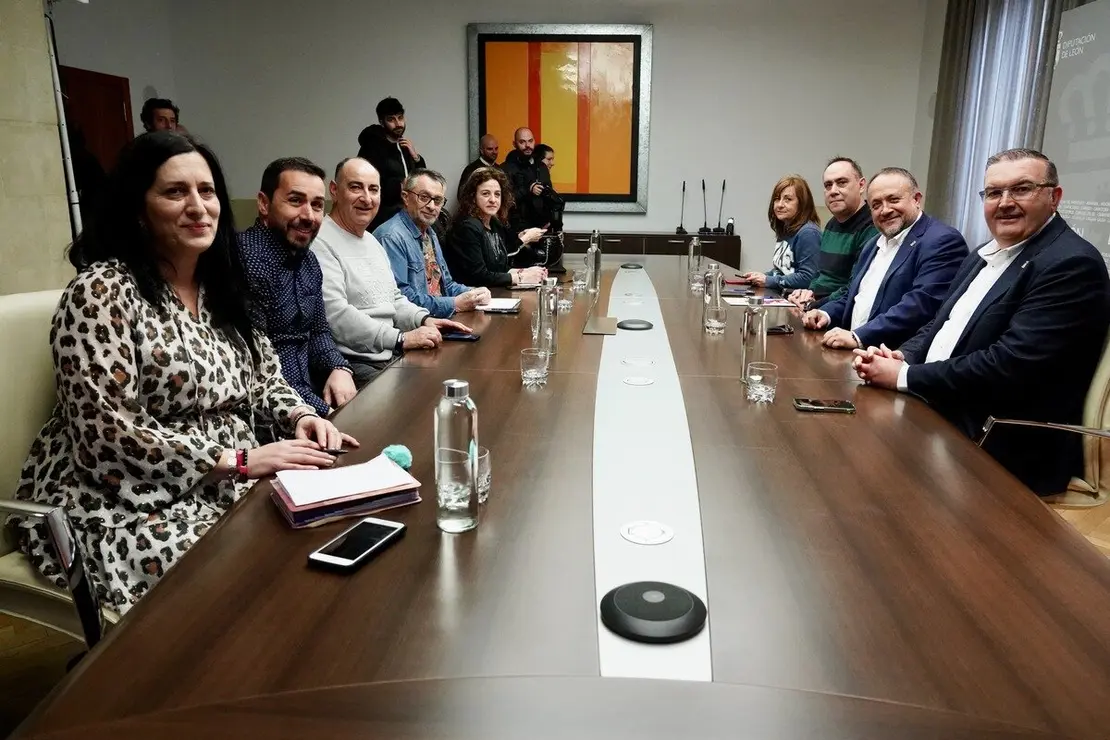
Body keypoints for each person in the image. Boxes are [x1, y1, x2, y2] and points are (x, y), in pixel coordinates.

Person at [12, 132, 357, 615]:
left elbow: (265, 379)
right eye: (176, 192)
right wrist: (236, 461)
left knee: (324, 539)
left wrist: (299, 417)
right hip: (119, 499)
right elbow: (107, 432)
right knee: (249, 577)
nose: (198, 206)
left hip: (227, 478)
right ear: (138, 207)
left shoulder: (221, 291)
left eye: (207, 191)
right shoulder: (101, 292)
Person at [853, 148, 1110, 495]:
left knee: (868, 478)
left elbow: (1009, 364)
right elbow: (940, 323)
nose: (1004, 202)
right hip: (945, 409)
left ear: (1054, 197)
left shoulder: (1071, 263)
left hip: (1000, 440)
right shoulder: (984, 254)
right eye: (993, 192)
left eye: (1021, 189)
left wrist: (905, 376)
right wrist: (903, 355)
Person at [313, 158, 472, 386]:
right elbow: (336, 315)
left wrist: (423, 319)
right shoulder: (321, 241)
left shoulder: (371, 241)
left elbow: (395, 298)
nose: (366, 198)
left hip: (390, 351)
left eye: (373, 189)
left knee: (454, 377)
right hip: (354, 363)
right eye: (356, 187)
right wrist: (400, 338)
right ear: (334, 191)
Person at [237, 158, 357, 417]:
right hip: (271, 410)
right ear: (264, 204)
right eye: (295, 201)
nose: (309, 216)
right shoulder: (247, 259)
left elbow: (318, 330)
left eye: (316, 205)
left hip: (309, 393)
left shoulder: (308, 260)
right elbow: (261, 365)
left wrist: (339, 368)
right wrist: (322, 410)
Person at [801, 167, 967, 350]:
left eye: (893, 200)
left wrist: (858, 336)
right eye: (876, 205)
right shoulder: (873, 244)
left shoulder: (942, 241)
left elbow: (920, 306)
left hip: (893, 359)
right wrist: (826, 313)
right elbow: (854, 294)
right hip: (851, 352)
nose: (885, 210)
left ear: (916, 199)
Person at [375, 169, 491, 318]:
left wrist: (473, 292)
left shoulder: (430, 232)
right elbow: (401, 299)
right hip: (415, 327)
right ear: (405, 197)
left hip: (440, 318)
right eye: (424, 197)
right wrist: (454, 303)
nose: (432, 206)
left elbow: (446, 285)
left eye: (437, 200)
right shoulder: (391, 237)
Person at [788, 157, 879, 307]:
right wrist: (807, 292)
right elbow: (821, 274)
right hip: (817, 304)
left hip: (838, 312)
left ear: (861, 185)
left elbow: (855, 287)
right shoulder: (832, 223)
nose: (833, 191)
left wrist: (814, 304)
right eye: (828, 185)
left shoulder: (872, 226)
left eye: (842, 183)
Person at [444, 167, 549, 288]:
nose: (493, 200)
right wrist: (520, 277)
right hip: (471, 294)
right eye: (485, 194)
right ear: (473, 197)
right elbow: (478, 276)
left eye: (497, 194)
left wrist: (527, 272)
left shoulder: (494, 224)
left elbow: (500, 268)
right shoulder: (467, 227)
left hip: (491, 291)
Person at [740, 175, 822, 293]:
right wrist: (760, 276)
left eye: (788, 199)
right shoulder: (785, 229)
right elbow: (783, 272)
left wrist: (768, 280)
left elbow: (807, 278)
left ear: (802, 203)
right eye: (777, 199)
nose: (779, 205)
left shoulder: (808, 233)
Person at [357, 97, 426, 231]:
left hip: (408, 216)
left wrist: (416, 157)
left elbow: (422, 179)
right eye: (391, 119)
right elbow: (367, 185)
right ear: (382, 122)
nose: (398, 124)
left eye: (400, 118)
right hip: (383, 219)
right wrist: (400, 187)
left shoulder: (405, 147)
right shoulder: (372, 147)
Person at [501, 127, 552, 232]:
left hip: (541, 227)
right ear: (514, 144)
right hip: (516, 229)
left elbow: (548, 194)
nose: (527, 145)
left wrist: (549, 219)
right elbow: (505, 200)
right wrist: (528, 189)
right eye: (522, 142)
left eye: (530, 141)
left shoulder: (541, 166)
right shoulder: (506, 168)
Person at [458, 134, 499, 201]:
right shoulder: (471, 169)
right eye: (490, 149)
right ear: (481, 150)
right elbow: (461, 195)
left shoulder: (500, 169)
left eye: (496, 148)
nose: (494, 152)